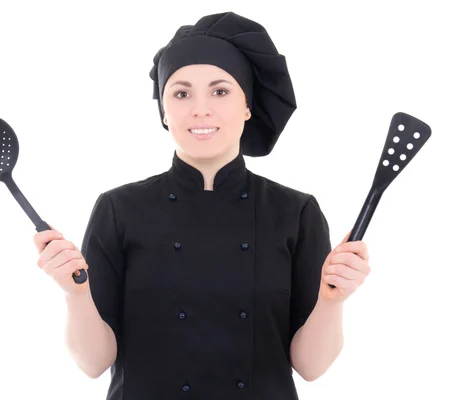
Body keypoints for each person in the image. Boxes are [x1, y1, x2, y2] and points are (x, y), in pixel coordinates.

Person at [34, 11, 371, 400]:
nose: (200, 109)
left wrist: (333, 301)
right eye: (181, 93)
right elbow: (94, 363)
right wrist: (74, 294)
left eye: (220, 91)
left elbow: (311, 367)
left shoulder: (295, 213)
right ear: (163, 111)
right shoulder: (119, 209)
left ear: (248, 105)